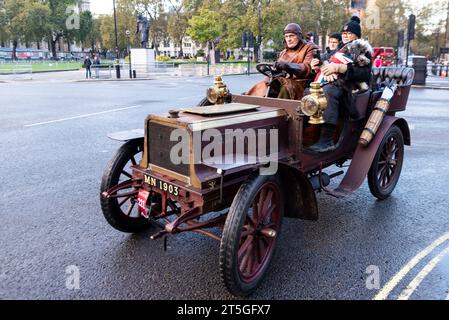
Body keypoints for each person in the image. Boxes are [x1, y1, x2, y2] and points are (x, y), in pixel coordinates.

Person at [309, 16, 373, 152]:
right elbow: (325, 60)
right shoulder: (339, 49)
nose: (345, 36)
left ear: (356, 35)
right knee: (307, 93)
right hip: (337, 84)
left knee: (328, 93)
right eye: (344, 33)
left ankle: (327, 140)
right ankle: (305, 134)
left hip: (352, 89)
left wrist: (339, 68)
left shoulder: (362, 49)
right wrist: (317, 65)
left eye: (349, 33)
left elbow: (364, 74)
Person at [246, 23, 318, 100]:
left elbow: (307, 68)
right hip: (281, 80)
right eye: (286, 36)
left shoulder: (309, 48)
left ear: (299, 36)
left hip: (300, 83)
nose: (289, 39)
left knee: (285, 87)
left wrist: (288, 66)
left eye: (291, 36)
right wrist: (269, 71)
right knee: (264, 84)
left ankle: (280, 110)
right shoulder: (284, 52)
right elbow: (277, 69)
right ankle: (249, 102)